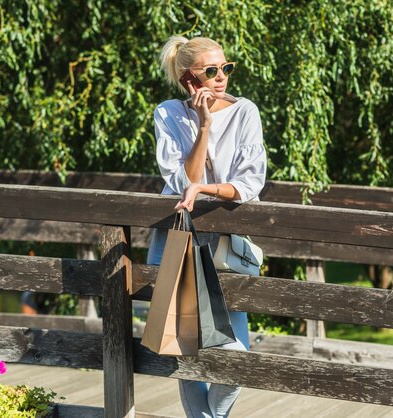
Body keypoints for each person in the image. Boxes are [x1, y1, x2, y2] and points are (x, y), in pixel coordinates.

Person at [147, 36, 267, 418]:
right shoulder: (168, 113)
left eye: (225, 69)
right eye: (210, 72)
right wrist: (203, 126)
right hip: (180, 237)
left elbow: (250, 184)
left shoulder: (246, 111)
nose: (221, 78)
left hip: (229, 243)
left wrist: (206, 189)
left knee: (237, 360)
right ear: (189, 80)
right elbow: (183, 180)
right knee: (184, 341)